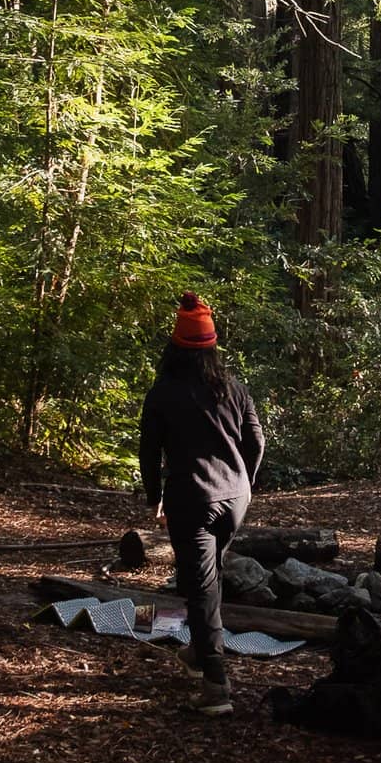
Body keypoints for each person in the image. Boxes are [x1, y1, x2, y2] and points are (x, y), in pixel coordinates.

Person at [137, 292, 266, 715]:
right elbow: (257, 441)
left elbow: (149, 452)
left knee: (201, 584)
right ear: (212, 347)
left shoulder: (163, 393)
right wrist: (243, 479)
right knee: (206, 577)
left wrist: (155, 498)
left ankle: (216, 683)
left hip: (192, 499)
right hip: (235, 499)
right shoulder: (235, 388)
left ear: (175, 348)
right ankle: (199, 650)